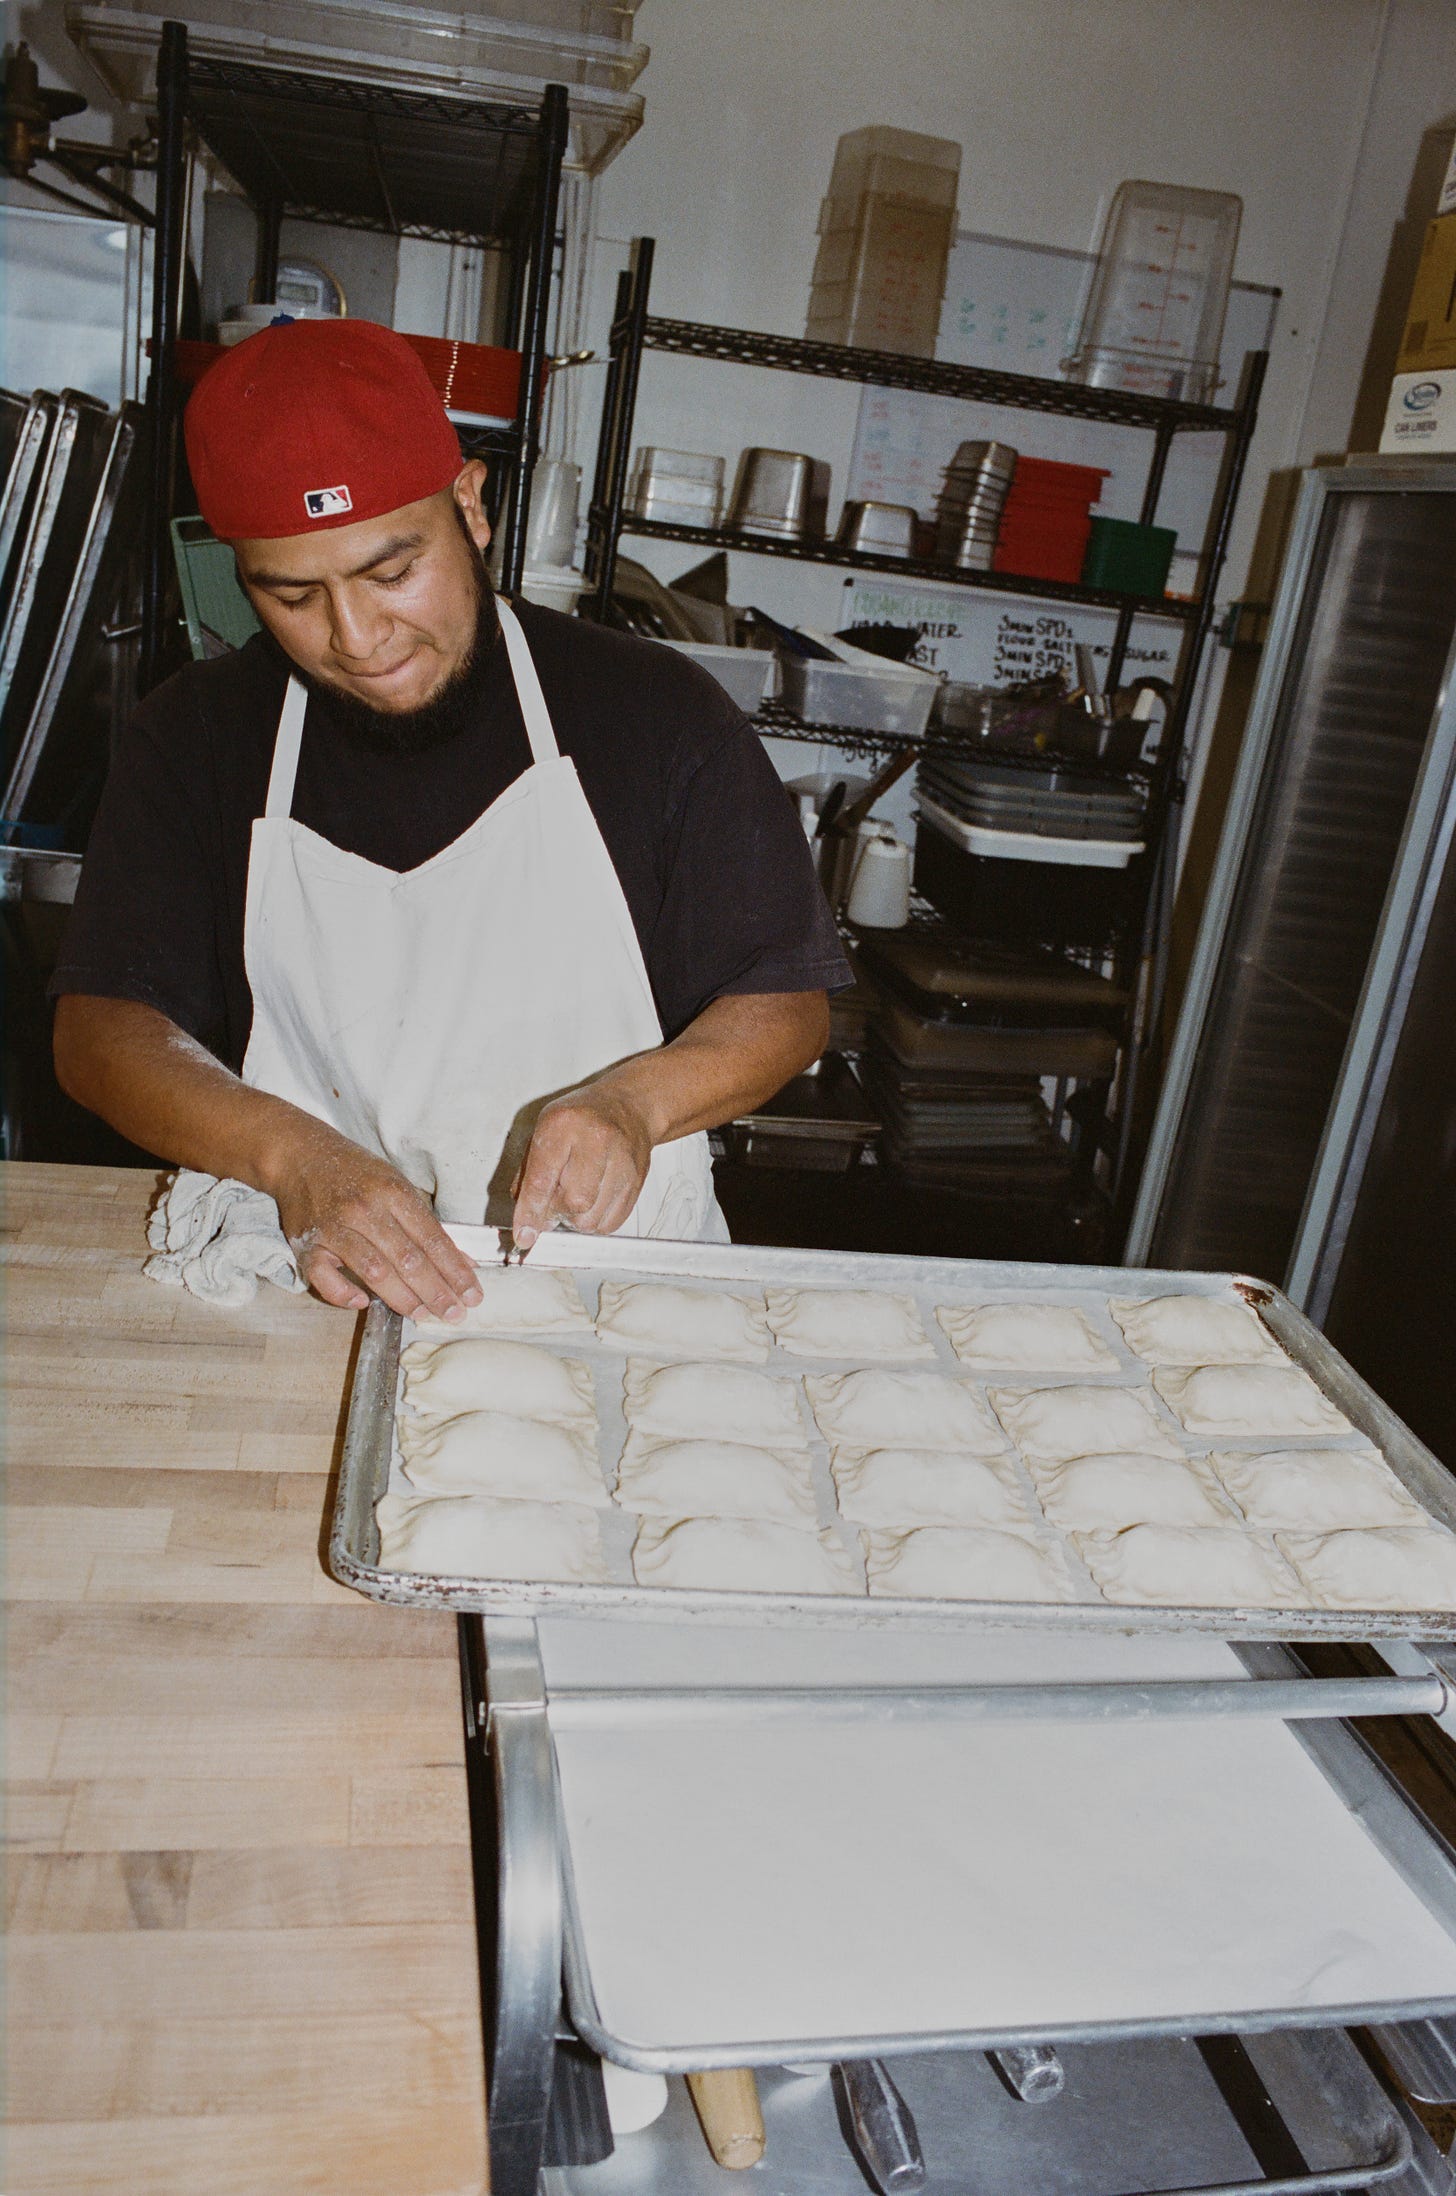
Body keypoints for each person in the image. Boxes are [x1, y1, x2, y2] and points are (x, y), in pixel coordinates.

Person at [52, 318, 847, 1320]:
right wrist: (295, 1159)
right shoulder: (197, 737)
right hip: (313, 1276)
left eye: (391, 573)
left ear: (469, 506)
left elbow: (785, 1006)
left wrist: (633, 1106)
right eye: (291, 594)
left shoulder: (654, 714)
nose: (358, 637)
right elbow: (101, 1034)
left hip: (616, 1275)